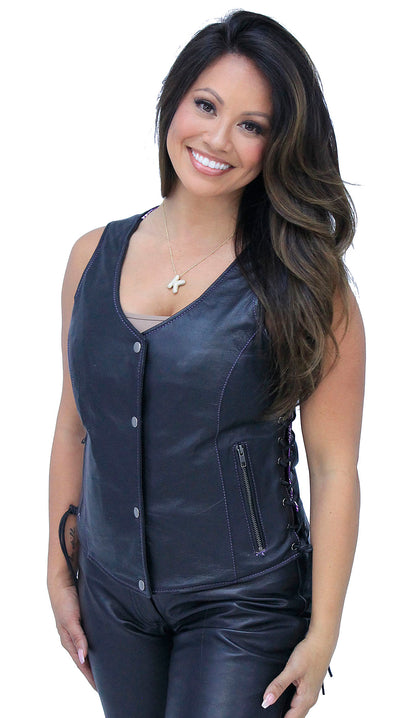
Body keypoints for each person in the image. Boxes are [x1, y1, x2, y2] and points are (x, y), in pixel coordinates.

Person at [47, 9, 365, 718]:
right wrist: (59, 570)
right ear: (174, 101)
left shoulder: (307, 283)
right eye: (206, 105)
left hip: (245, 607)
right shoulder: (90, 257)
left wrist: (322, 635)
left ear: (279, 144)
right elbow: (74, 428)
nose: (218, 140)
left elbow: (334, 467)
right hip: (112, 597)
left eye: (251, 125)